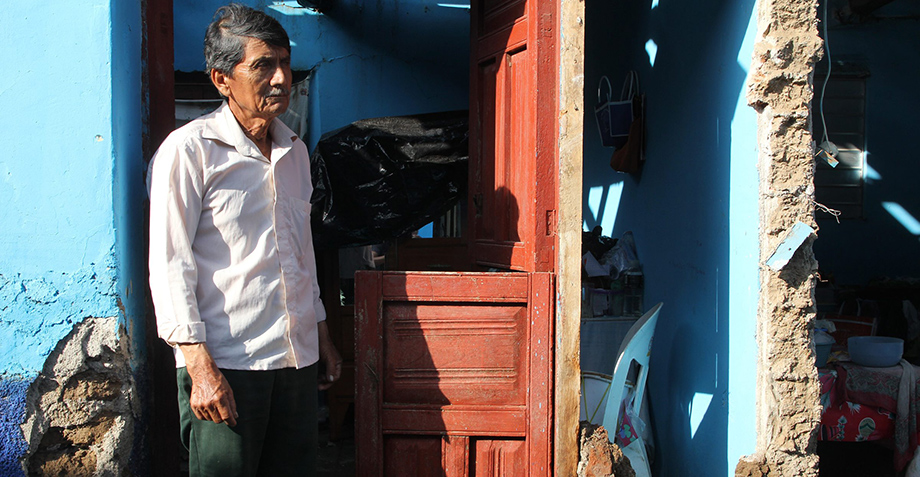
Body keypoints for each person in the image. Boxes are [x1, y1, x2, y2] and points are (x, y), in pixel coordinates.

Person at [147, 4, 341, 476]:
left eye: (285, 63)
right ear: (221, 79)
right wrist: (198, 366)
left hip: (295, 358)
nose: (281, 79)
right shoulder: (189, 150)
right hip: (227, 363)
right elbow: (170, 264)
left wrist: (321, 334)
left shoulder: (295, 152)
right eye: (263, 66)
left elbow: (301, 253)